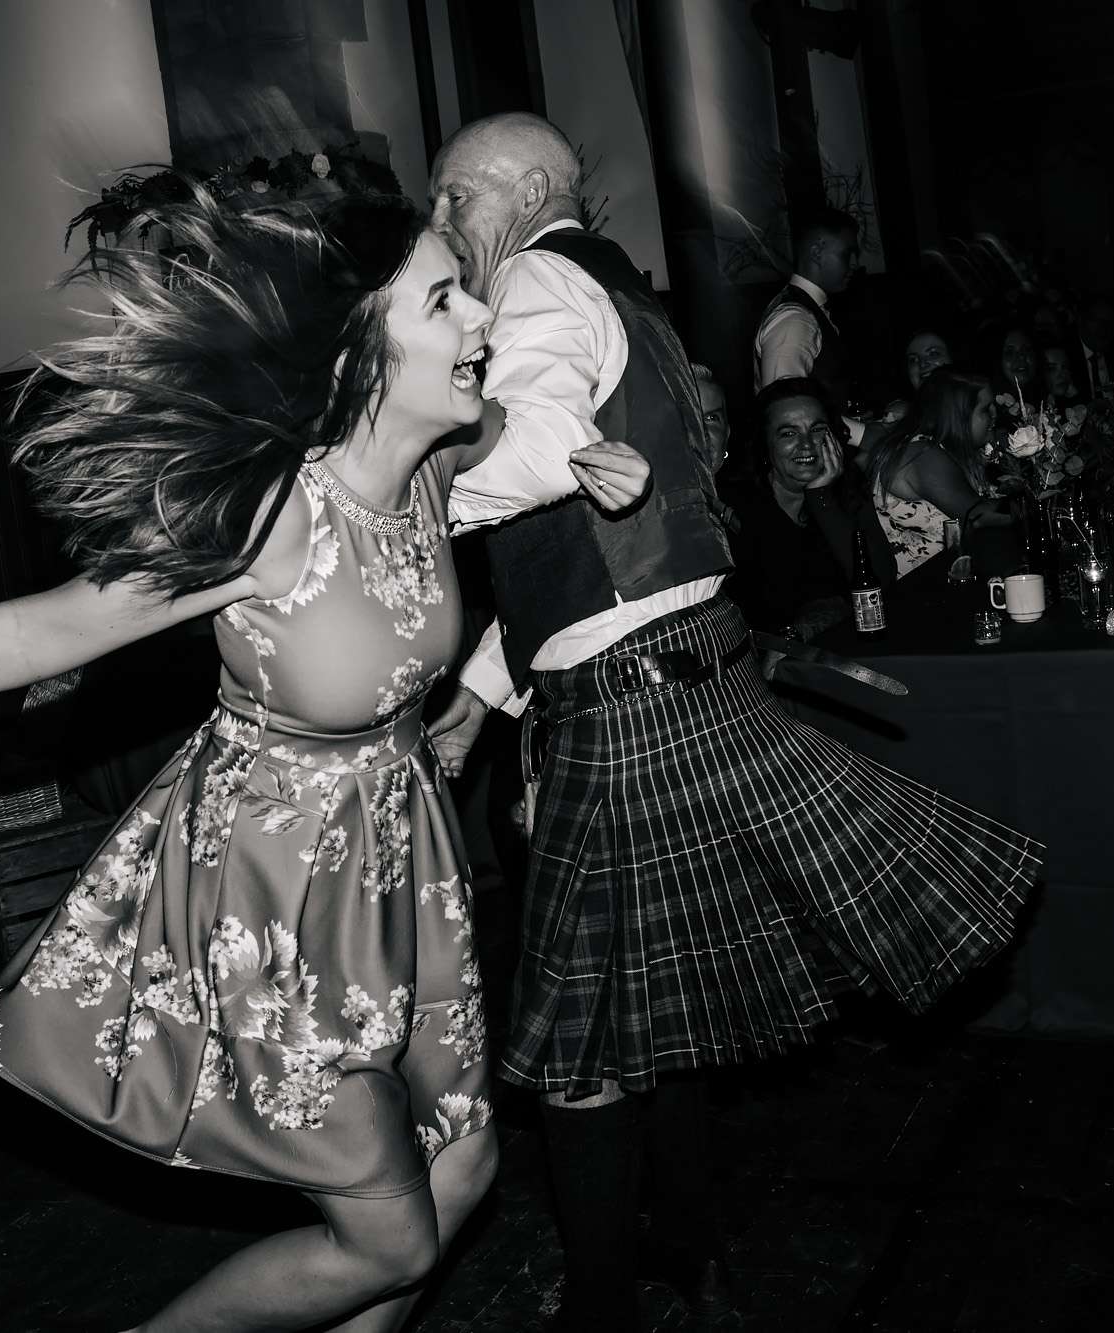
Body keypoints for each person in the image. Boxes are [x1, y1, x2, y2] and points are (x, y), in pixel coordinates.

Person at [0, 191, 651, 1333]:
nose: (483, 317)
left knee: (459, 1172)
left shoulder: (439, 464)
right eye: (445, 298)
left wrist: (597, 459)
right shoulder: (275, 515)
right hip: (273, 890)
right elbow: (48, 630)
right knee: (389, 1231)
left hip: (400, 866)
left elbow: (537, 426)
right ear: (359, 346)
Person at [424, 111, 1041, 1331]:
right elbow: (592, 556)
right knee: (660, 1014)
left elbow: (542, 453)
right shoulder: (629, 298)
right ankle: (694, 1255)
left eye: (449, 199)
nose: (440, 227)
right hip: (683, 669)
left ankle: (600, 1305)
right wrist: (476, 704)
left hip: (628, 711)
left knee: (579, 1048)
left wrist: (390, 490)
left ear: (513, 192)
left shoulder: (540, 278)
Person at [727, 377, 898, 637]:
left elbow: (880, 582)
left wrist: (821, 497)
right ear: (764, 444)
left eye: (817, 430)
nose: (806, 444)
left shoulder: (846, 489)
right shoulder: (740, 505)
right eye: (788, 433)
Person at [865, 367, 1005, 577]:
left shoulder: (951, 451)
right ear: (959, 416)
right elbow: (980, 516)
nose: (995, 414)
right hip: (922, 594)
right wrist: (1035, 503)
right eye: (986, 409)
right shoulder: (921, 455)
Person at [754, 207, 860, 406]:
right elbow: (787, 406)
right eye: (847, 254)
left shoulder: (807, 310)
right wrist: (862, 435)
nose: (855, 263)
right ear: (817, 252)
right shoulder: (795, 318)